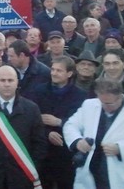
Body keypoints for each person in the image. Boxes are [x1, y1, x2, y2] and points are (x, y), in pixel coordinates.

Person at [63, 78, 124, 189]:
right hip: (90, 173)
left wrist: (121, 148)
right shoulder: (89, 105)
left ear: (120, 96)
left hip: (121, 174)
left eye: (109, 103)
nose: (105, 106)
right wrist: (77, 141)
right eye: (101, 102)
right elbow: (70, 125)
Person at [0, 65, 48, 189]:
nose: (6, 84)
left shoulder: (31, 109)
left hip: (21, 175)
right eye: (2, 80)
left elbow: (39, 143)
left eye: (10, 80)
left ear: (17, 82)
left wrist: (32, 166)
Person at [26, 57, 87, 189]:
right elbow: (31, 119)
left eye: (59, 70)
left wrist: (60, 122)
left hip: (66, 154)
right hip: (43, 152)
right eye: (53, 69)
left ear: (69, 74)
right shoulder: (39, 91)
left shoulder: (80, 96)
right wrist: (47, 133)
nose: (53, 73)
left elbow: (82, 123)